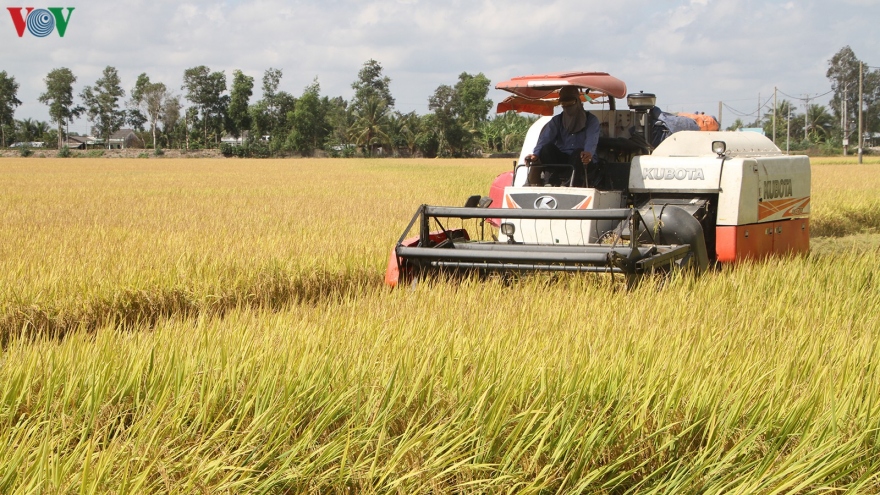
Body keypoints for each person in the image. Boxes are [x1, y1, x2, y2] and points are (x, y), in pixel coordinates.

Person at [524, 86, 599, 187]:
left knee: (578, 153)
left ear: (577, 101)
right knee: (546, 149)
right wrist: (536, 154)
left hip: (583, 161)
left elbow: (591, 140)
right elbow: (544, 139)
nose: (567, 106)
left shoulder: (591, 120)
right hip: (563, 159)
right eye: (564, 104)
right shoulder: (557, 121)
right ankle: (551, 182)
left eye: (570, 102)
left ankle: (569, 185)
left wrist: (588, 153)